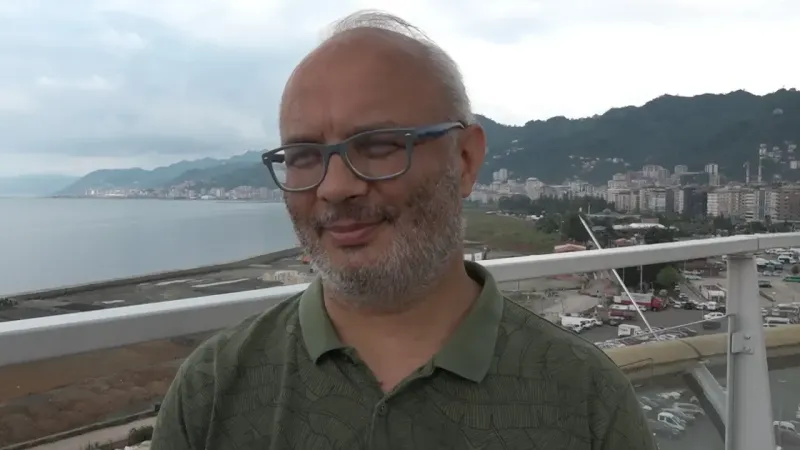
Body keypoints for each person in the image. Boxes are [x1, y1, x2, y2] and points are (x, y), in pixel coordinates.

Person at [151, 10, 657, 450]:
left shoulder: (584, 399)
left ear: (465, 159)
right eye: (304, 156)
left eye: (378, 146)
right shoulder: (212, 391)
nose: (335, 187)